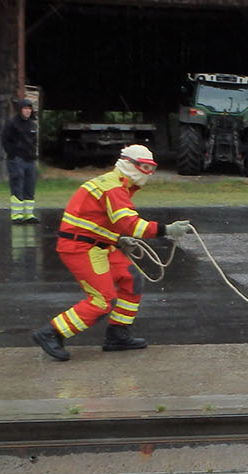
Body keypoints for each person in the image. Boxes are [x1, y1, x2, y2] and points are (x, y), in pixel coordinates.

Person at [28, 145, 190, 361]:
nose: (148, 174)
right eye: (144, 167)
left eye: (151, 168)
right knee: (102, 301)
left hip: (98, 244)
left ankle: (118, 334)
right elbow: (131, 224)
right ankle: (51, 332)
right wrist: (167, 230)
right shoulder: (114, 188)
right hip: (81, 248)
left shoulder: (116, 184)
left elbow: (100, 219)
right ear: (129, 164)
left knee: (131, 280)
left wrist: (116, 239)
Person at [1, 98, 39, 224]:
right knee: (17, 185)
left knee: (30, 186)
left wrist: (34, 156)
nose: (27, 111)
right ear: (20, 110)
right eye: (25, 108)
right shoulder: (12, 123)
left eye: (29, 108)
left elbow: (34, 142)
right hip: (17, 160)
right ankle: (17, 215)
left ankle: (29, 214)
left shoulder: (33, 124)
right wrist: (13, 155)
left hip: (30, 160)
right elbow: (5, 140)